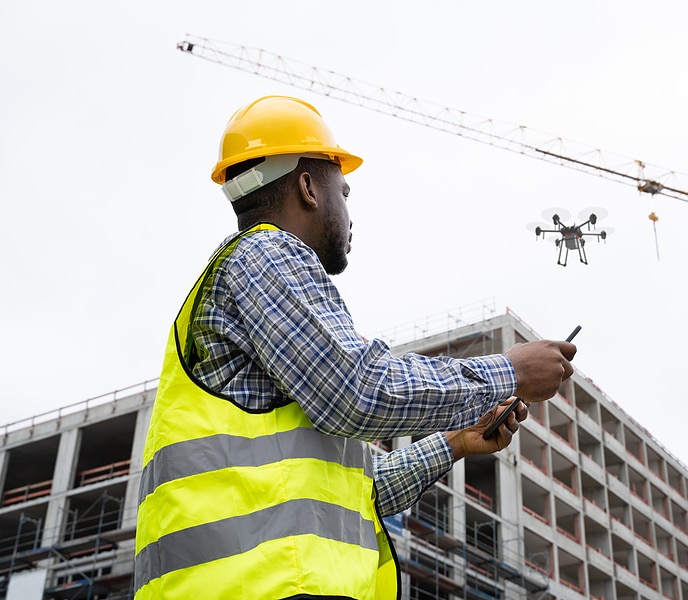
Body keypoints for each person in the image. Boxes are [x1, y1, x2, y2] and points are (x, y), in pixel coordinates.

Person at [134, 95, 576, 600]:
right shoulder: (266, 253)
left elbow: (347, 496)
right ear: (307, 187)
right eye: (343, 190)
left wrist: (456, 441)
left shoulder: (251, 290)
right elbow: (358, 391)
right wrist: (509, 373)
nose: (348, 210)